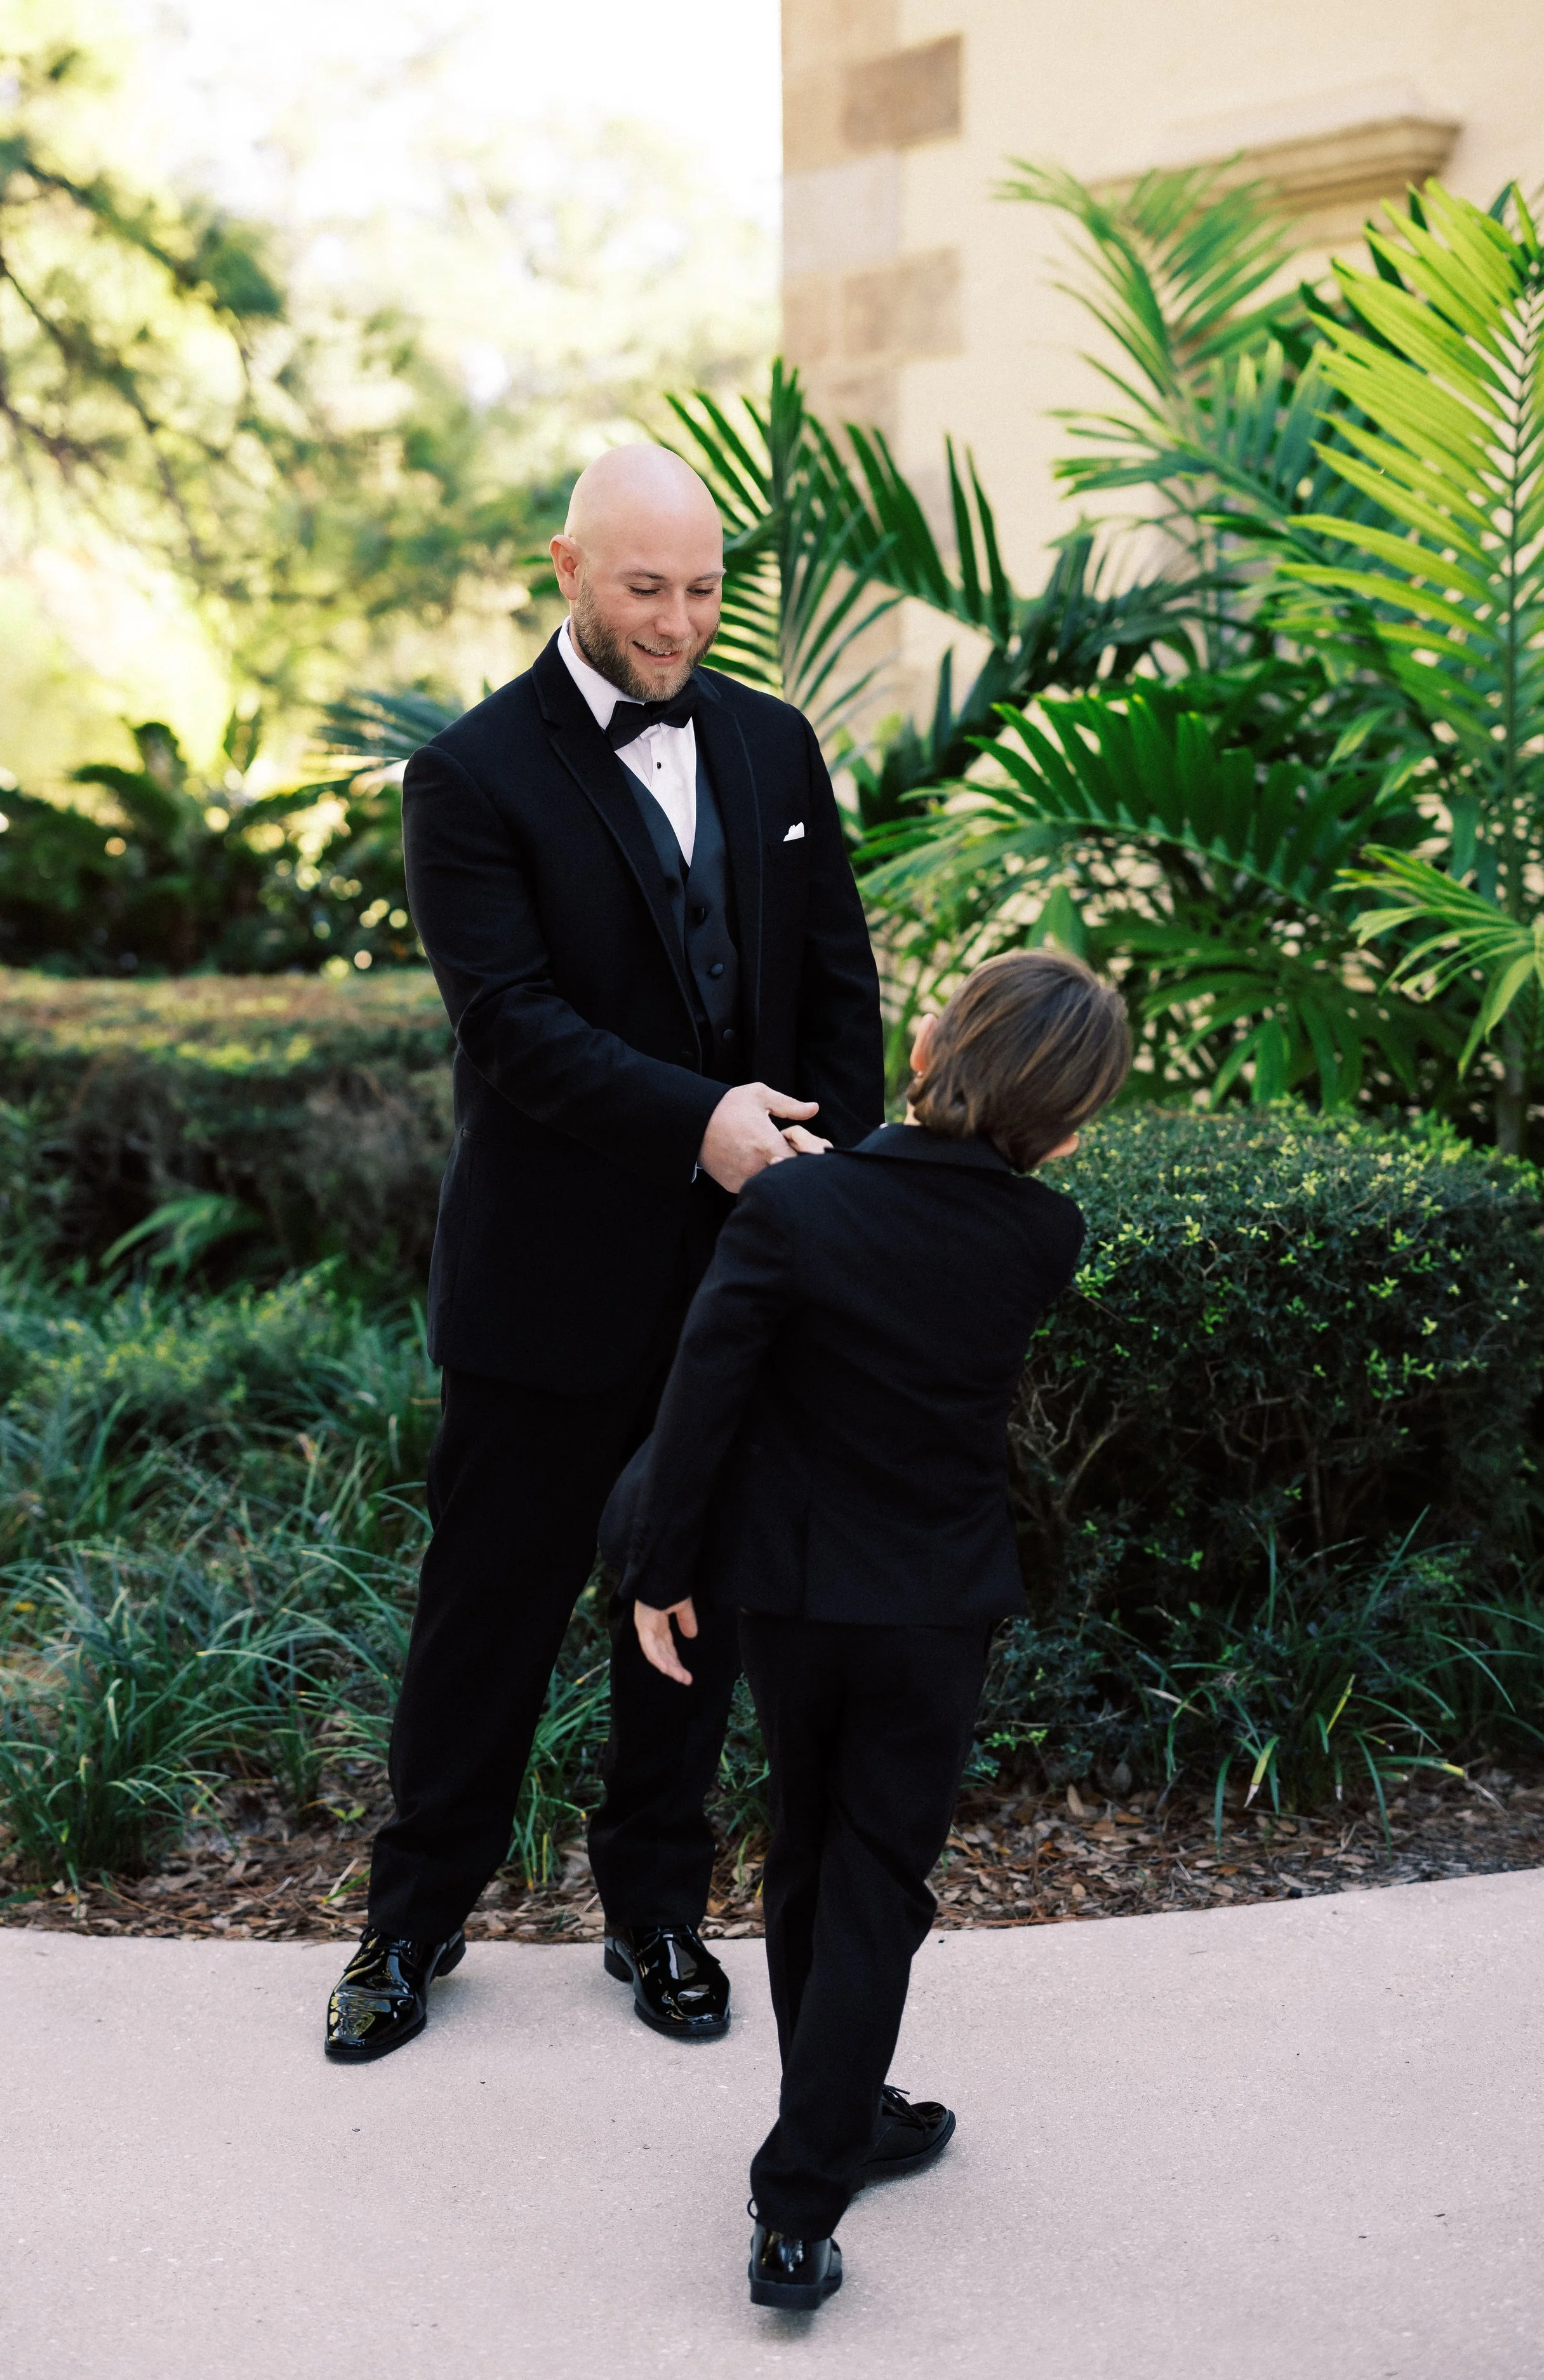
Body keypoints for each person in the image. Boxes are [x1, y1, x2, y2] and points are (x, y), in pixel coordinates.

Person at [323, 444, 884, 2064]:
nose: (679, 624)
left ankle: (655, 1907)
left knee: (690, 1609)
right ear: (564, 566)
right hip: (542, 1294)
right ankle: (410, 1918)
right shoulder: (470, 777)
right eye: (646, 589)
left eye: (704, 590)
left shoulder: (773, 746)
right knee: (483, 1613)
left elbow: (837, 986)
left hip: (743, 1279)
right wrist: (702, 1121)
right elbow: (511, 1031)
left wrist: (814, 1185)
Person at [613, 950, 1131, 2308]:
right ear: (1069, 1128)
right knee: (878, 1877)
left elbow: (704, 1394)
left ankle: (828, 2118)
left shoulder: (793, 1206)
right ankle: (806, 2183)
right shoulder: (1044, 1234)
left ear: (920, 1045)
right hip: (933, 1602)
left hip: (789, 1596)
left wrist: (661, 1567)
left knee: (806, 1850)